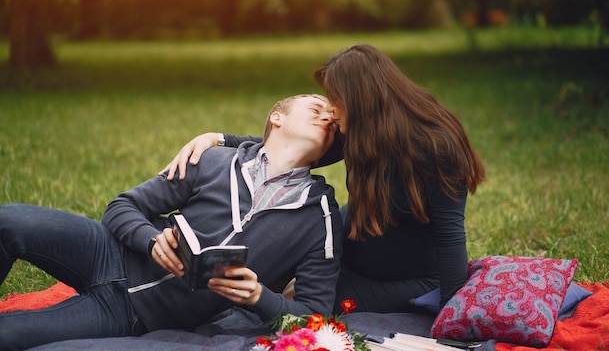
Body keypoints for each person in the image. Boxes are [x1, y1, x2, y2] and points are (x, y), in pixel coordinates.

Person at [0, 94, 343, 351]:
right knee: (8, 220)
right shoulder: (211, 159)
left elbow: (314, 315)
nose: (327, 116)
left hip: (132, 315)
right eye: (316, 109)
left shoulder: (321, 216)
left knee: (9, 335)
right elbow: (123, 206)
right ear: (277, 117)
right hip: (106, 250)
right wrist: (150, 239)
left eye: (332, 119)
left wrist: (257, 297)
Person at [162, 44, 485, 314]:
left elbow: (450, 236)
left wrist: (453, 314)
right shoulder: (362, 131)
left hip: (404, 277)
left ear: (359, 98)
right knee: (263, 266)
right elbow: (291, 146)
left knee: (308, 306)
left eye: (334, 99)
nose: (330, 110)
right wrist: (218, 138)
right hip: (346, 243)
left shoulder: (436, 148)